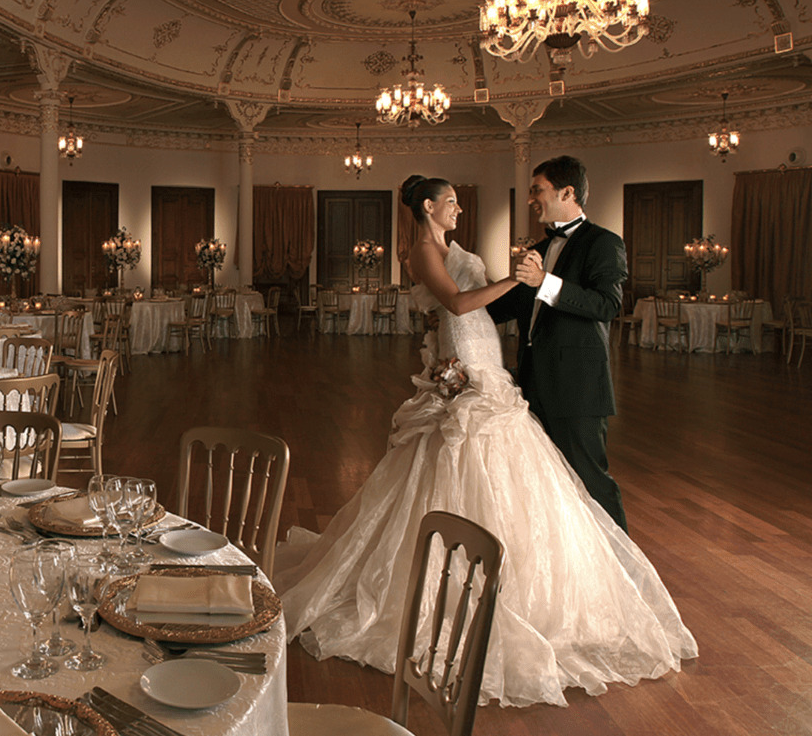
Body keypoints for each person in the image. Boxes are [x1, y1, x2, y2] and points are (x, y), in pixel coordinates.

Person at [273, 174, 696, 707]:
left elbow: (496, 305)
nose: (459, 210)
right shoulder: (422, 250)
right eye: (451, 202)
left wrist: (522, 285)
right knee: (460, 470)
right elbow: (456, 304)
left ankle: (574, 582)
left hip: (489, 368)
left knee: (544, 479)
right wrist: (520, 283)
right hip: (470, 369)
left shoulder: (468, 246)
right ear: (428, 207)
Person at [485, 155, 628, 529]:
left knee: (592, 480)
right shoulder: (540, 245)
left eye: (537, 190)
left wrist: (545, 282)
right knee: (543, 481)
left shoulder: (603, 243)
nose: (531, 198)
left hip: (577, 386)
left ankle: (624, 569)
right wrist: (461, 312)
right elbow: (517, 302)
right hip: (532, 382)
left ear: (567, 192)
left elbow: (607, 305)